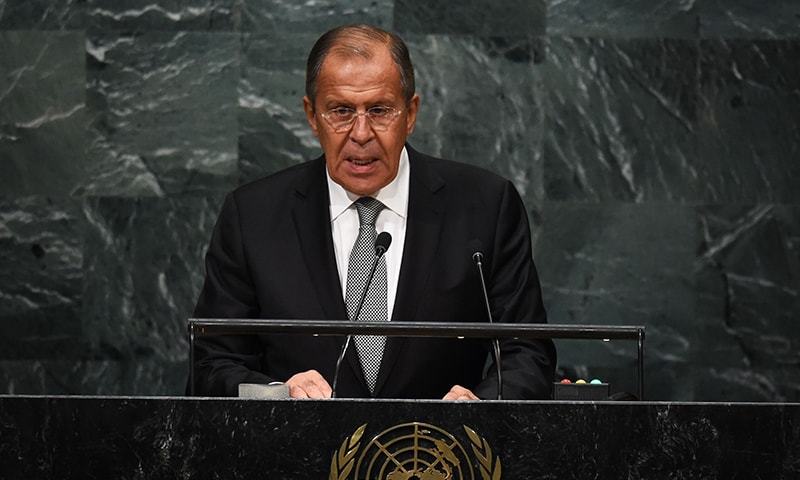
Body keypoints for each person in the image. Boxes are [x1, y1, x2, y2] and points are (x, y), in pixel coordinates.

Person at [191, 24, 556, 400]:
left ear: (410, 113)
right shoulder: (253, 216)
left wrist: (481, 407)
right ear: (312, 116)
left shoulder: (485, 206)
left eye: (380, 110)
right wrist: (277, 393)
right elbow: (211, 363)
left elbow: (526, 352)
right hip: (298, 452)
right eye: (341, 111)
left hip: (439, 454)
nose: (361, 133)